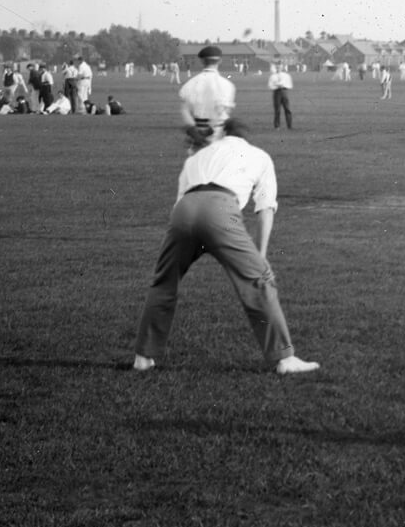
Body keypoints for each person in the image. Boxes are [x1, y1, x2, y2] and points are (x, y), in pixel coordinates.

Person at [132, 119, 319, 376]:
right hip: (220, 209)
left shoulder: (197, 158)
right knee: (259, 280)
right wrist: (260, 257)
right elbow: (265, 209)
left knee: (164, 283)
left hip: (184, 211)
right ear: (243, 136)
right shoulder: (259, 155)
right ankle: (285, 359)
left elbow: (180, 206)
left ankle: (143, 358)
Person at [178, 45, 236, 144]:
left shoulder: (189, 84)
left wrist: (196, 133)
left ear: (202, 61)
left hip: (197, 136)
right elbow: (221, 112)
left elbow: (185, 111)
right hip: (219, 136)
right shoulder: (227, 85)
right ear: (220, 61)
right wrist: (208, 132)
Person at [268, 63, 294, 129]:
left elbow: (290, 85)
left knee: (287, 109)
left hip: (284, 92)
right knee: (277, 110)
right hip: (276, 92)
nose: (278, 68)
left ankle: (289, 126)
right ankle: (277, 126)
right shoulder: (273, 76)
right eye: (277, 67)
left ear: (282, 67)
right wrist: (277, 85)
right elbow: (270, 86)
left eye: (279, 67)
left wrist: (283, 85)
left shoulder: (286, 76)